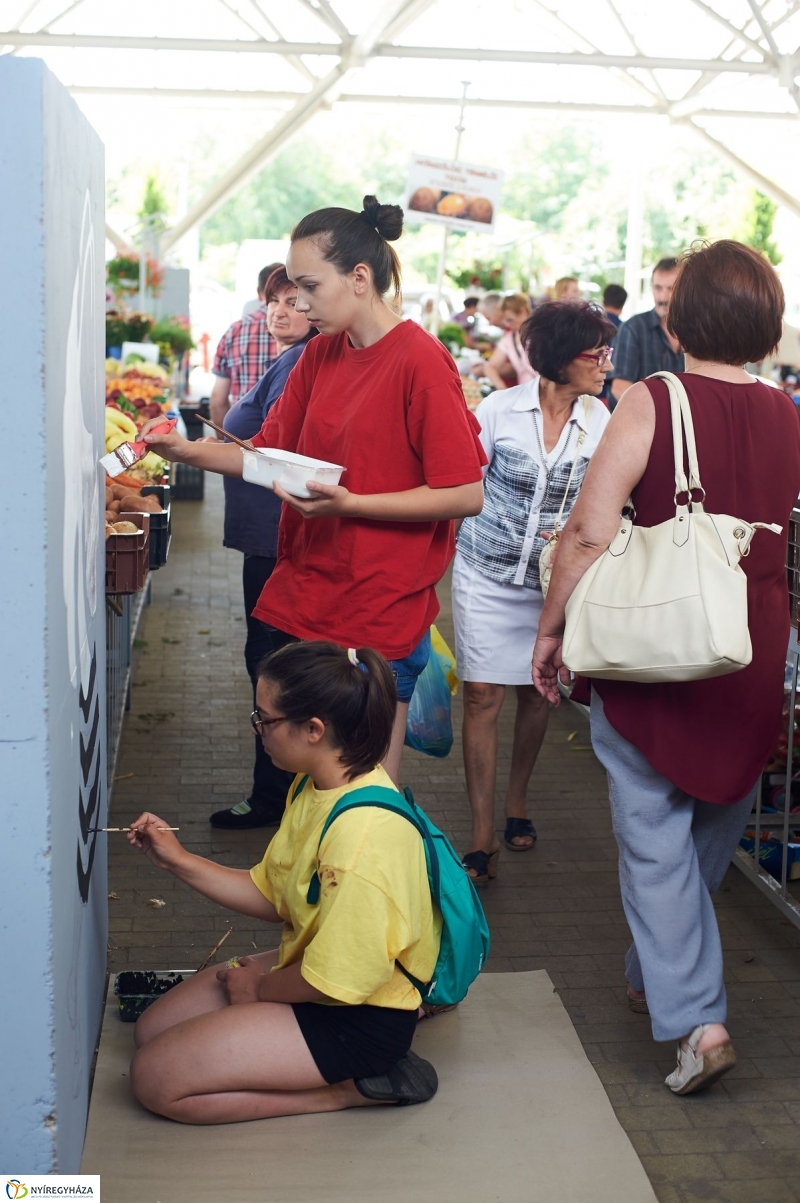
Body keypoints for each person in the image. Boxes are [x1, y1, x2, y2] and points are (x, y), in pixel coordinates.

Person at [532, 241, 800, 1094]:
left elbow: (587, 530)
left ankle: (699, 1020)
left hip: (657, 645)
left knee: (653, 839)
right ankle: (660, 969)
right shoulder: (790, 412)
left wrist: (550, 629)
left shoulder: (654, 399)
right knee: (714, 812)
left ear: (678, 320)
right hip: (752, 645)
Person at [140, 195, 486, 785]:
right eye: (291, 287)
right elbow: (266, 454)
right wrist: (183, 449)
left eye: (308, 285)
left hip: (380, 611)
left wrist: (353, 504)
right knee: (318, 791)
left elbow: (463, 494)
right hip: (315, 597)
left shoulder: (421, 361)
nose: (297, 302)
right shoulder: (320, 353)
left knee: (363, 799)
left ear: (359, 278)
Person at [127, 641, 441, 1123]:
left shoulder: (362, 837)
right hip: (315, 971)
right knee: (150, 1031)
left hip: (356, 1017)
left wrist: (262, 988)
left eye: (264, 719)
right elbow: (273, 895)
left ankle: (348, 1090)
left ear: (314, 729)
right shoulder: (315, 783)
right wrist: (177, 860)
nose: (258, 730)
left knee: (154, 1078)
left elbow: (341, 981)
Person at [454, 302, 613, 883]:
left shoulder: (603, 420)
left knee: (535, 692)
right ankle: (480, 831)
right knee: (481, 696)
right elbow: (465, 486)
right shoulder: (497, 410)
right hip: (484, 574)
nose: (604, 363)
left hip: (553, 583)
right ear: (559, 358)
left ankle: (517, 799)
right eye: (595, 353)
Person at [210, 266, 317, 830]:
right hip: (269, 539)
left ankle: (275, 798)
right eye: (274, 300)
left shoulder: (302, 359)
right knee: (271, 663)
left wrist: (197, 450)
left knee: (274, 667)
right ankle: (280, 794)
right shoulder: (292, 357)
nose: (282, 310)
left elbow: (273, 449)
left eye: (298, 300)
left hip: (280, 540)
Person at [209, 263, 281, 425]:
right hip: (283, 441)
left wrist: (224, 442)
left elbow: (218, 399)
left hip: (240, 435)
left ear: (258, 293)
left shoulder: (234, 331)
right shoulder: (304, 330)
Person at [608, 258, 684, 406]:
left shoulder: (695, 331)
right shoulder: (633, 328)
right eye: (658, 288)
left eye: (671, 289)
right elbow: (619, 388)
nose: (663, 297)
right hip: (642, 425)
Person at [483, 293, 535, 392]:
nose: (508, 325)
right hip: (526, 395)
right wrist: (503, 390)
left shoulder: (543, 334)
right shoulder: (509, 339)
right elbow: (490, 367)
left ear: (523, 312)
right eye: (505, 321)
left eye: (510, 320)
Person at [600, 283, 627, 406]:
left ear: (603, 301)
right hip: (608, 394)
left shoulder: (589, 326)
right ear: (622, 306)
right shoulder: (625, 330)